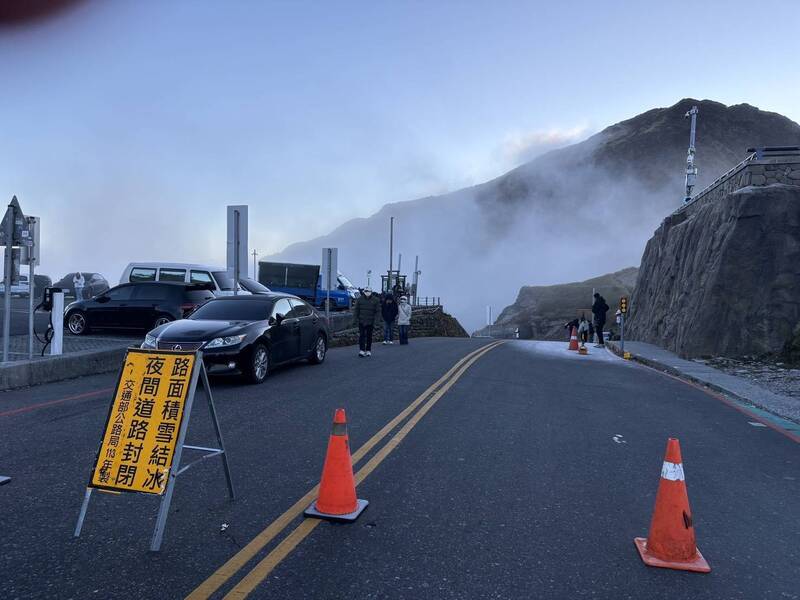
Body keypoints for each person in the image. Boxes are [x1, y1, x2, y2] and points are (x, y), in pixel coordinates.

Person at [353, 286, 380, 357]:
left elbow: (378, 311)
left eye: (368, 291)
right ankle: (362, 350)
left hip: (370, 321)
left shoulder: (376, 300)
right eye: (366, 291)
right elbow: (356, 310)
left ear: (371, 292)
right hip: (361, 320)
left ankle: (368, 350)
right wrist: (355, 319)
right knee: (361, 336)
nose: (367, 293)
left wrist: (377, 321)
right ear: (364, 292)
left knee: (369, 336)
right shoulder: (359, 299)